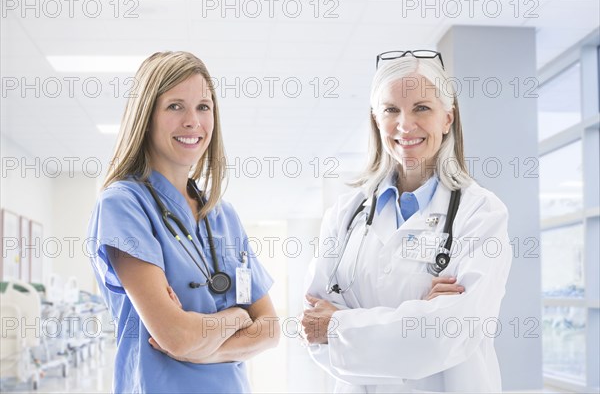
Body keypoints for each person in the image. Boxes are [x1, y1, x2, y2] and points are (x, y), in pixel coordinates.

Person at [301, 50, 512, 393]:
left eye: (422, 108)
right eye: (391, 110)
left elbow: (451, 333)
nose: (405, 124)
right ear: (375, 119)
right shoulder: (344, 215)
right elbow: (313, 331)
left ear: (447, 119)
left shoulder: (481, 214)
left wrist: (340, 326)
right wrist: (420, 319)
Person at [87, 51, 280, 393]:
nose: (192, 121)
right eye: (175, 106)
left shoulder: (223, 216)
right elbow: (176, 336)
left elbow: (269, 329)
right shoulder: (124, 205)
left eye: (203, 107)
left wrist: (200, 349)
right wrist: (236, 318)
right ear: (146, 117)